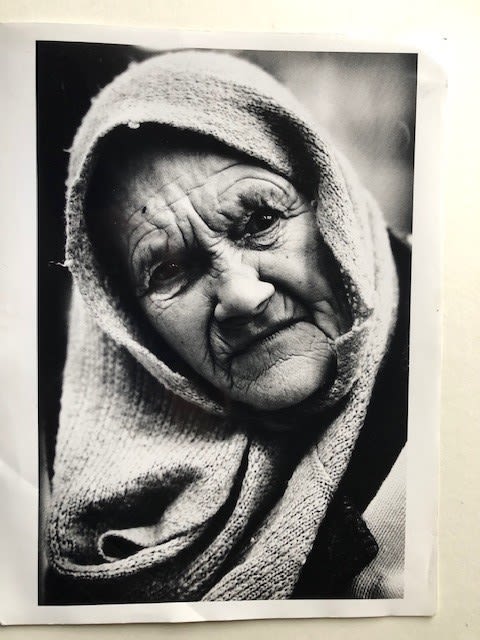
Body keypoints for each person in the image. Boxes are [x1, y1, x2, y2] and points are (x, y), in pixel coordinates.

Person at [45, 50, 410, 603]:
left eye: (262, 220)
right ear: (131, 330)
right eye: (168, 270)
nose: (242, 295)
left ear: (330, 207)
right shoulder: (105, 534)